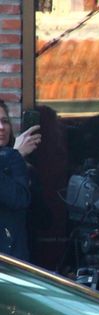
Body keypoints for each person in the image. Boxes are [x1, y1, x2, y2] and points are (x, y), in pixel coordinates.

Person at [0, 101, 41, 260]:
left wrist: (13, 156)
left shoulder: (16, 161)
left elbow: (20, 199)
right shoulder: (13, 157)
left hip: (13, 260)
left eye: (4, 121)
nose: (2, 127)